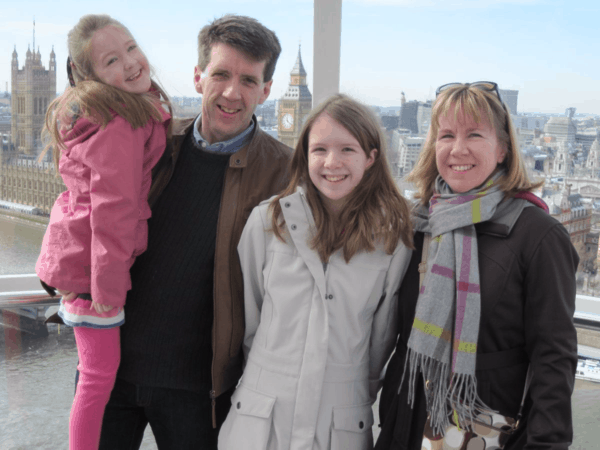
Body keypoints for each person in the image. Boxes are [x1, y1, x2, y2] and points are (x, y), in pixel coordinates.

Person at [97, 15, 292, 450]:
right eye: (220, 74)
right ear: (198, 77)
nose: (230, 92)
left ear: (266, 90)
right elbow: (88, 204)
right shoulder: (152, 143)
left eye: (248, 80)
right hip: (109, 373)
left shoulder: (287, 173)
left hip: (200, 392)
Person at [375, 82, 578, 450]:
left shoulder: (538, 235)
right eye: (446, 135)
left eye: (474, 135)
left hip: (486, 432)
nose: (457, 149)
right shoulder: (418, 223)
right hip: (406, 425)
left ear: (502, 149)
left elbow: (554, 358)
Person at [218, 94, 414, 450]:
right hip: (261, 414)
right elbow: (249, 318)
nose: (332, 162)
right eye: (319, 149)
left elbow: (381, 337)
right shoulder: (267, 221)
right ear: (304, 155)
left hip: (340, 419)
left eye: (347, 150)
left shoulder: (393, 239)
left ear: (371, 158)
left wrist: (348, 387)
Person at [35, 14, 171, 450]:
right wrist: (108, 293)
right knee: (97, 380)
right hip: (94, 275)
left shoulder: (104, 112)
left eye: (131, 47)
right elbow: (114, 209)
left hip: (76, 260)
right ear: (91, 76)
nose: (130, 62)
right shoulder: (121, 124)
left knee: (94, 378)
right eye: (113, 60)